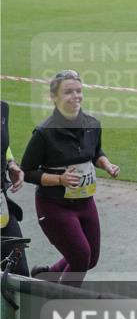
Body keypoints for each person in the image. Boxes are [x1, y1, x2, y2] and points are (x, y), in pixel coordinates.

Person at [21, 70, 120, 287]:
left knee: (90, 258)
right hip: (54, 205)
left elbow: (95, 153)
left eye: (78, 91)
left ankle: (48, 276)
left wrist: (106, 164)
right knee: (80, 257)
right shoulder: (44, 133)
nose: (75, 96)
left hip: (85, 201)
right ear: (54, 97)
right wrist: (60, 180)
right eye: (68, 92)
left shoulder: (92, 124)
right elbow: (27, 171)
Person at [1, 100, 29, 276]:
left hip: (1, 205)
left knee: (20, 274)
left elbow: (4, 143)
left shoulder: (2, 109)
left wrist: (10, 163)